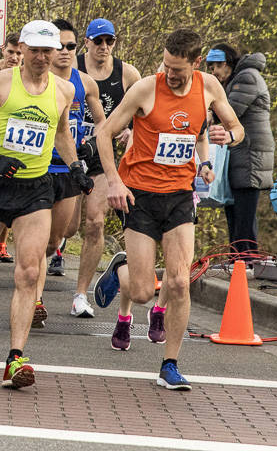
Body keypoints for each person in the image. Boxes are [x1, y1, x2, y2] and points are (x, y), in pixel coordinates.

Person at [93, 29, 243, 391]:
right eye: (166, 66)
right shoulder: (146, 88)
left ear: (195, 63)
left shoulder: (209, 87)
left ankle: (170, 364)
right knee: (143, 292)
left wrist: (230, 136)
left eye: (177, 69)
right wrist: (114, 181)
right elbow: (104, 133)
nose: (169, 74)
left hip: (179, 194)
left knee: (178, 281)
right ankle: (122, 267)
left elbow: (236, 127)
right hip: (139, 195)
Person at [0, 20, 83, 389]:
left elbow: (61, 133)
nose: (44, 57)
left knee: (29, 271)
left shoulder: (63, 90)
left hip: (35, 189)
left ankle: (16, 357)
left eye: (50, 50)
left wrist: (76, 166)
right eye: (36, 50)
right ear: (23, 50)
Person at [71, 18, 142, 318]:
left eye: (109, 41)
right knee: (62, 229)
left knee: (95, 222)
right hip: (67, 154)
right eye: (97, 41)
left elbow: (147, 112)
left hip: (101, 157)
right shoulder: (70, 66)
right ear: (86, 42)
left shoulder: (127, 73)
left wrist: (131, 130)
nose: (103, 47)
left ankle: (80, 294)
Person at [34, 20, 104, 327]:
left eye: (70, 46)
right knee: (38, 238)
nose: (64, 51)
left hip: (69, 167)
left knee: (60, 236)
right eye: (58, 46)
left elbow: (104, 122)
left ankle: (50, 256)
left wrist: (90, 144)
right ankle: (35, 300)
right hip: (39, 166)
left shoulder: (85, 83)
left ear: (79, 47)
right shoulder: (39, 80)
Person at [206, 44, 275, 256]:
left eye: (216, 67)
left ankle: (246, 260)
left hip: (251, 155)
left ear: (227, 63)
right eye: (210, 68)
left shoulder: (247, 78)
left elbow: (228, 112)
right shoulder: (235, 80)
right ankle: (237, 259)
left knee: (244, 214)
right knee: (233, 209)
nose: (213, 73)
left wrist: (208, 111)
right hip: (239, 154)